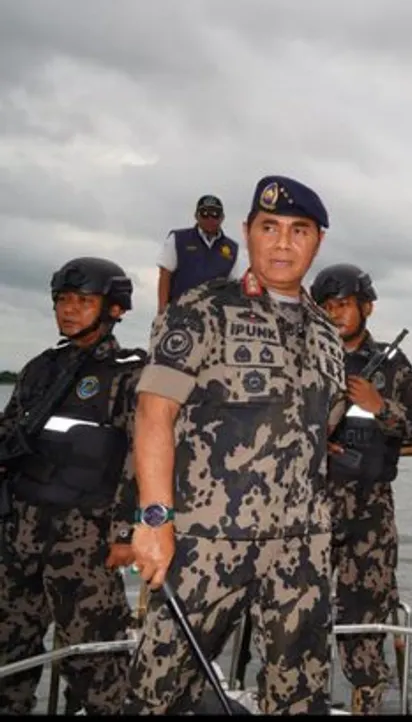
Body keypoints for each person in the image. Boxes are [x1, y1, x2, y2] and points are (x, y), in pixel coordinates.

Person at [124, 176, 346, 714]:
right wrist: (155, 519)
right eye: (269, 228)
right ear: (247, 233)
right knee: (159, 692)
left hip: (302, 546)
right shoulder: (202, 309)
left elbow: (324, 426)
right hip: (206, 542)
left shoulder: (326, 332)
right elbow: (155, 412)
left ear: (318, 241)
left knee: (299, 696)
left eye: (299, 231)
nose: (283, 243)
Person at [0, 257, 143, 714]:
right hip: (20, 533)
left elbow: (141, 458)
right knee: (10, 648)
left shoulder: (129, 374)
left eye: (84, 301)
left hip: (84, 541)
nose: (70, 309)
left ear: (114, 309)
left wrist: (124, 531)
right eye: (63, 299)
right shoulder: (40, 368)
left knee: (96, 661)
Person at [312, 263, 412, 714]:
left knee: (365, 626)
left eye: (343, 305)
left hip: (370, 515)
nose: (334, 314)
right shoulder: (306, 361)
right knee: (299, 624)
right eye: (325, 307)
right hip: (308, 514)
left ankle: (368, 706)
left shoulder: (392, 365)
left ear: (366, 306)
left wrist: (380, 406)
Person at [156, 194, 239, 313]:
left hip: (214, 316)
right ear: (196, 216)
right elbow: (164, 274)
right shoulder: (178, 239)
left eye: (215, 214)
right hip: (178, 313)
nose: (210, 218)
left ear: (222, 217)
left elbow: (234, 286)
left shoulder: (232, 248)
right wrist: (162, 311)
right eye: (204, 213)